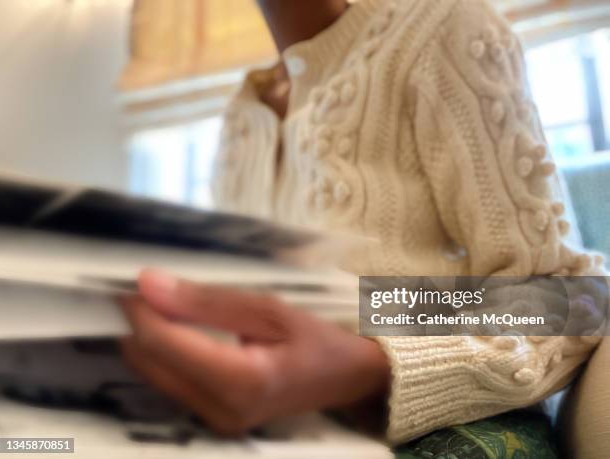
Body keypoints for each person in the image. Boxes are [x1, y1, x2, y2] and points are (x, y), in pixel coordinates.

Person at [121, 0, 605, 445]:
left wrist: (374, 367)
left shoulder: (439, 30)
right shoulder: (242, 116)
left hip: (448, 436)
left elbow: (571, 299)